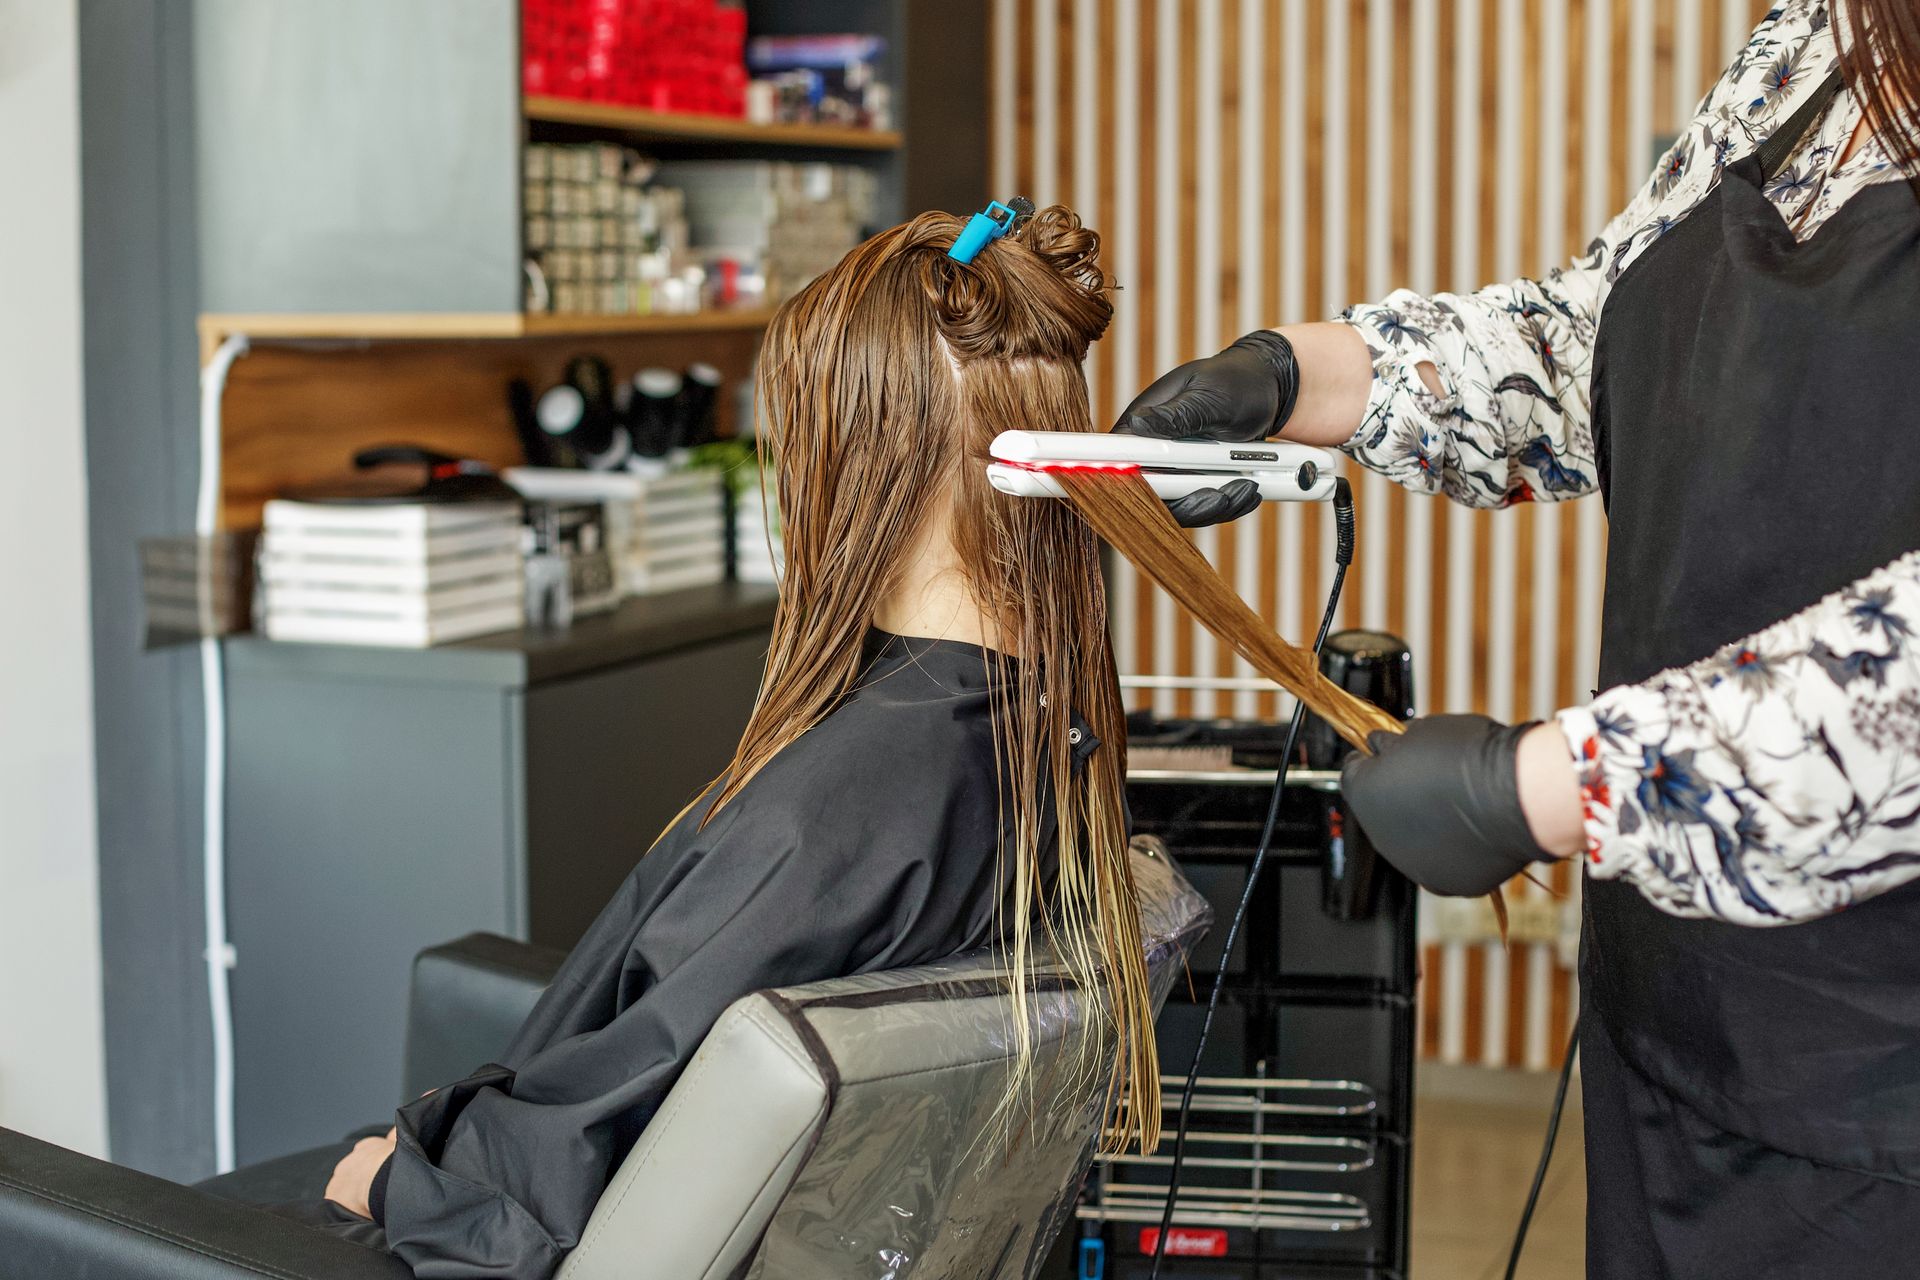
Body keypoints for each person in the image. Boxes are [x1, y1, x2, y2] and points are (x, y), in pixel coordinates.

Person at [1115, 1, 1920, 1273]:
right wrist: (1306, 376)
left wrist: (1551, 783)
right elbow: (1596, 341)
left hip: (1882, 1097)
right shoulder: (1815, 46)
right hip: (1671, 1011)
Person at [295, 206, 1155, 1278]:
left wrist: (393, 1182)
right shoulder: (1038, 737)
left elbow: (557, 1189)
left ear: (857, 451)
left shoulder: (834, 810)